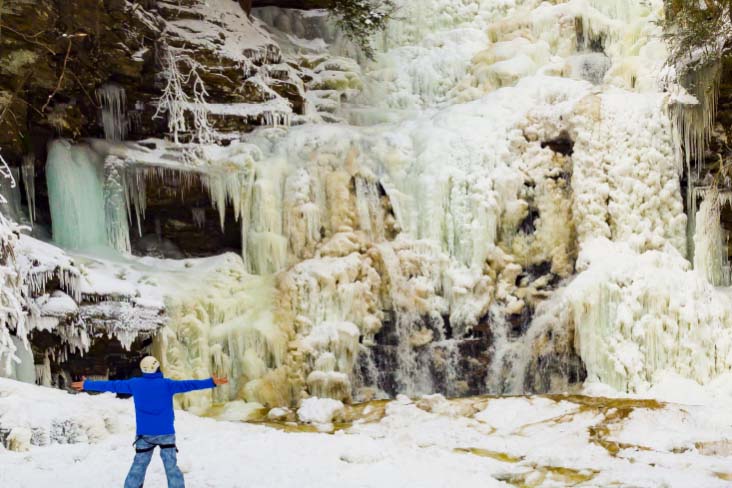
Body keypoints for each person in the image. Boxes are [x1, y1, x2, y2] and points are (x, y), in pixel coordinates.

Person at [71, 356, 228, 488]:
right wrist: (211, 382)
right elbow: (189, 384)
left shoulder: (135, 384)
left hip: (144, 435)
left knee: (139, 465)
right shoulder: (167, 384)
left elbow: (111, 385)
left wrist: (87, 384)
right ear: (158, 368)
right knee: (171, 467)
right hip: (166, 433)